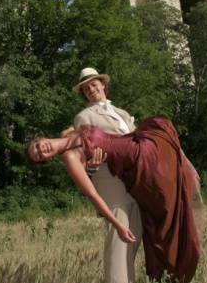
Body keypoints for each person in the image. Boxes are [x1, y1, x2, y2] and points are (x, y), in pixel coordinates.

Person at [28, 114, 202, 283]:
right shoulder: (69, 157)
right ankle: (175, 267)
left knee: (162, 128)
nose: (41, 150)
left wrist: (92, 166)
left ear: (41, 139)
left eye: (37, 146)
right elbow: (92, 194)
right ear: (47, 160)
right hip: (138, 162)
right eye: (39, 156)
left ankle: (189, 172)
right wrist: (118, 226)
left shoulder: (73, 131)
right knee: (168, 208)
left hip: (135, 142)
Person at [71, 68, 142, 283]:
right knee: (118, 239)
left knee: (134, 237)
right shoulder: (84, 117)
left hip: (133, 178)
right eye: (86, 88)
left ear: (102, 84)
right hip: (109, 180)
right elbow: (82, 157)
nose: (91, 90)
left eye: (94, 85)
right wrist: (91, 167)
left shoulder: (120, 112)